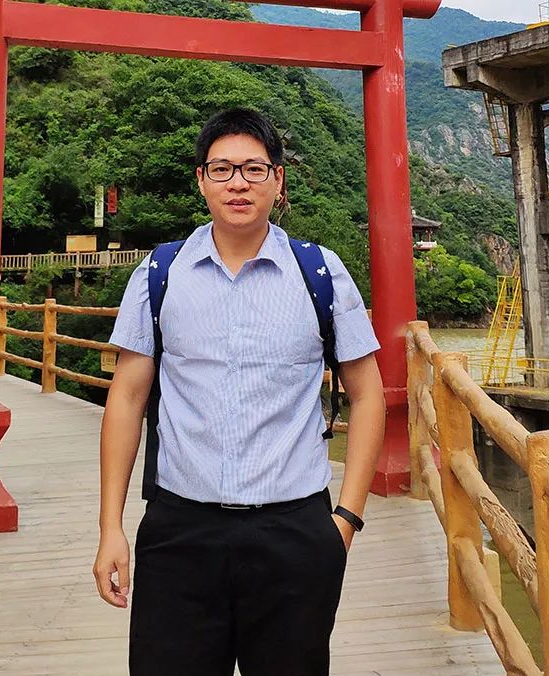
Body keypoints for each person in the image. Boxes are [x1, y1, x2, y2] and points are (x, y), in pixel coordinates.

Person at [93, 108, 386, 676]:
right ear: (201, 180)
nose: (238, 183)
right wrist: (111, 528)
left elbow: (368, 394)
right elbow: (126, 399)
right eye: (222, 169)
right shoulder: (160, 274)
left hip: (294, 531)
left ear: (278, 181)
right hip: (180, 529)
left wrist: (346, 519)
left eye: (254, 169)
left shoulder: (320, 274)